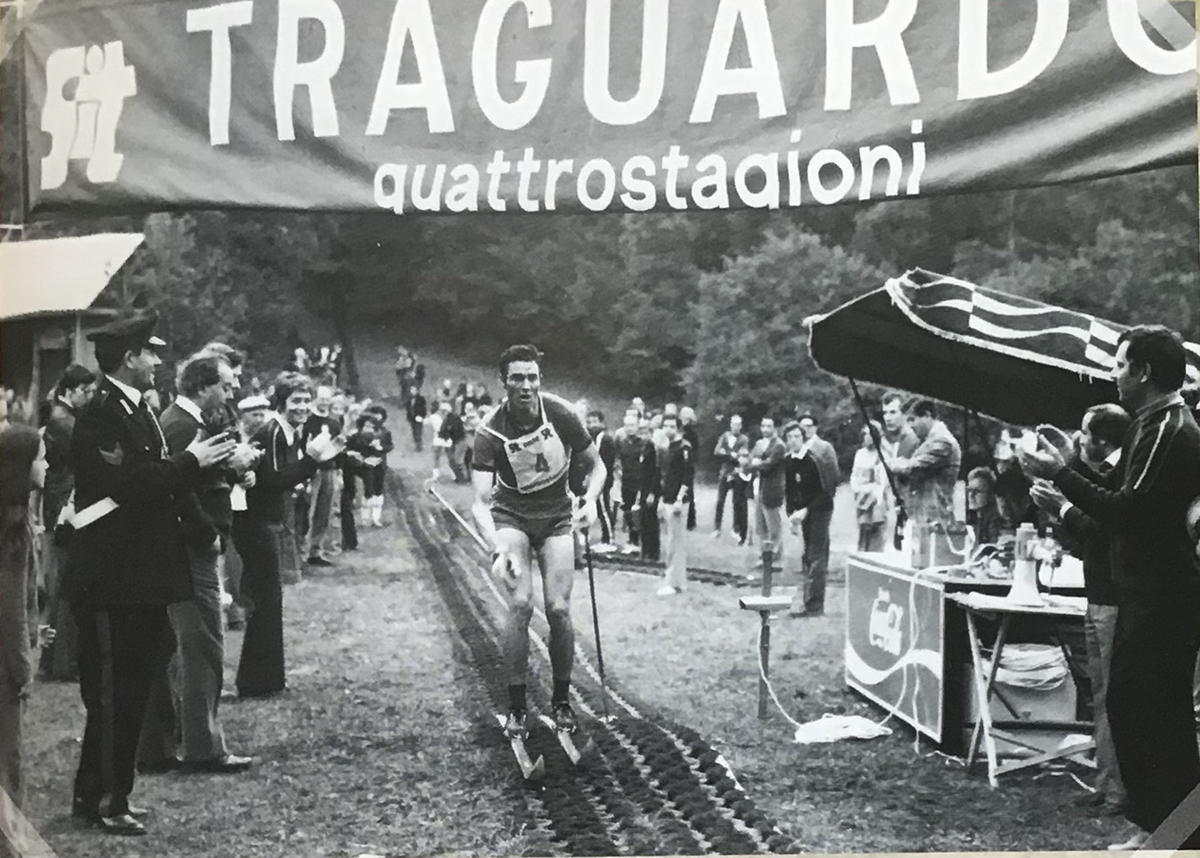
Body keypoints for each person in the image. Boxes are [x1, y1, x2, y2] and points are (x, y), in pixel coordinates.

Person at [1020, 325, 1200, 851]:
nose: (1113, 374)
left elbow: (1130, 513)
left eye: (1120, 364)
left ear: (1143, 372)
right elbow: (1127, 502)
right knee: (1135, 710)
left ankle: (1178, 838)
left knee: (1152, 717)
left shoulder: (1169, 429)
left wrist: (1064, 480)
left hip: (1166, 598)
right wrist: (1073, 466)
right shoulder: (1152, 424)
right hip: (1147, 595)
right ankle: (1165, 834)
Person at [65, 311, 238, 836]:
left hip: (138, 576)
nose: (159, 362)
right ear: (128, 358)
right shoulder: (100, 416)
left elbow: (151, 480)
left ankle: (108, 793)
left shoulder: (136, 410)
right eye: (150, 353)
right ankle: (104, 799)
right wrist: (192, 461)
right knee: (115, 691)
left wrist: (189, 470)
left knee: (134, 685)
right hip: (111, 578)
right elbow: (132, 485)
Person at [471, 345, 604, 739]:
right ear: (504, 382)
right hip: (512, 517)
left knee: (559, 609)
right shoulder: (490, 430)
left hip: (558, 515)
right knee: (520, 604)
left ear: (539, 379)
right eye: (517, 378)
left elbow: (597, 466)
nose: (526, 386)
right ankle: (515, 707)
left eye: (532, 377)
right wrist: (496, 545)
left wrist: (591, 500)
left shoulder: (560, 413)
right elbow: (479, 503)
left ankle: (561, 702)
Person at [137, 355, 255, 776]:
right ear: (204, 386)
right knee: (203, 644)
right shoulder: (183, 426)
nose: (231, 392)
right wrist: (207, 533)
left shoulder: (182, 421)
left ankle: (174, 742)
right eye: (225, 385)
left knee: (183, 646)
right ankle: (203, 747)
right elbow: (177, 489)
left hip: (186, 548)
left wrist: (231, 469)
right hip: (191, 551)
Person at [1030, 403, 1130, 818]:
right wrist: (1066, 466)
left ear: (1104, 440)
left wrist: (1061, 507)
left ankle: (1119, 790)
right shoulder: (1112, 472)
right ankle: (1107, 784)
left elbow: (1099, 522)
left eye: (1085, 434)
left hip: (1113, 598)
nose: (1080, 439)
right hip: (1099, 596)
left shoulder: (1123, 478)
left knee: (1115, 698)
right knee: (1102, 695)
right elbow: (1091, 495)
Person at [235, 373, 342, 699]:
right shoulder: (273, 432)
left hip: (269, 523)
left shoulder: (286, 432)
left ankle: (267, 679)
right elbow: (273, 480)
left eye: (306, 401)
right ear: (282, 402)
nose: (303, 407)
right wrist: (312, 460)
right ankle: (257, 681)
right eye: (296, 401)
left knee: (270, 602)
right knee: (265, 603)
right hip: (256, 525)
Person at [0, 422, 47, 821]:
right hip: (4, 660)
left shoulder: (19, 515)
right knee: (7, 752)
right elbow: (10, 603)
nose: (46, 464)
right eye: (41, 457)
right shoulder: (10, 526)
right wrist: (22, 663)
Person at [40, 365, 95, 681]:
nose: (88, 397)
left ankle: (57, 660)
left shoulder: (62, 417)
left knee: (62, 583)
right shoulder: (65, 422)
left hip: (60, 504)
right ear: (69, 390)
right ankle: (63, 661)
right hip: (64, 507)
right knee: (65, 584)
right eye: (84, 391)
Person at [886, 399, 962, 534]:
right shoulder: (930, 440)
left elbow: (913, 467)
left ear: (927, 415)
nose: (910, 426)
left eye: (912, 420)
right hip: (925, 518)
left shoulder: (942, 441)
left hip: (935, 520)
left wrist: (891, 463)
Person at [656, 413, 693, 596]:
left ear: (678, 428)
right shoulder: (669, 447)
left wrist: (680, 498)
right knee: (670, 542)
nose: (668, 429)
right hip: (668, 498)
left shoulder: (684, 448)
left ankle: (674, 583)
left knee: (675, 544)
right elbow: (667, 476)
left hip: (678, 501)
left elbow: (687, 476)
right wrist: (663, 499)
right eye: (666, 426)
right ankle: (674, 580)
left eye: (672, 426)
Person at [747, 416, 787, 564]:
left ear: (774, 428)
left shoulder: (779, 446)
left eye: (768, 426)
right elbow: (750, 461)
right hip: (759, 487)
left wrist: (757, 463)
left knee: (773, 525)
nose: (765, 429)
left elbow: (768, 466)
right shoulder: (759, 444)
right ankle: (765, 555)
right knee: (760, 524)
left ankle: (776, 558)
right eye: (763, 426)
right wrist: (755, 463)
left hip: (772, 489)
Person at [850, 420, 888, 552]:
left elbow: (882, 482)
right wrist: (856, 488)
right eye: (865, 434)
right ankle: (861, 555)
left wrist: (872, 494)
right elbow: (854, 475)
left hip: (874, 499)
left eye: (870, 434)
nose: (867, 437)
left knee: (875, 531)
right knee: (862, 530)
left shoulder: (881, 455)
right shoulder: (860, 454)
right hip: (860, 496)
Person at [712, 414, 749, 538]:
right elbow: (716, 451)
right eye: (734, 424)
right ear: (730, 425)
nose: (735, 427)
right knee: (720, 500)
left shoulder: (744, 439)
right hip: (724, 472)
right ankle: (717, 527)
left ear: (741, 426)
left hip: (736, 473)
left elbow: (742, 456)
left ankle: (736, 527)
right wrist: (731, 454)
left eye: (738, 424)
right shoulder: (725, 436)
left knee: (737, 501)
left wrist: (727, 454)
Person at [585, 411, 617, 548]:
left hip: (603, 479)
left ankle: (609, 538)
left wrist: (603, 479)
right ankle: (587, 536)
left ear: (602, 423)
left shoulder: (606, 439)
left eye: (595, 422)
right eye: (589, 422)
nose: (592, 425)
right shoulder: (588, 438)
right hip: (590, 478)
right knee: (592, 508)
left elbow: (607, 462)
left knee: (603, 509)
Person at [964, 466, 1006, 546]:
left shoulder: (996, 522)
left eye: (977, 491)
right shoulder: (976, 518)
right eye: (969, 490)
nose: (971, 495)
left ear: (990, 494)